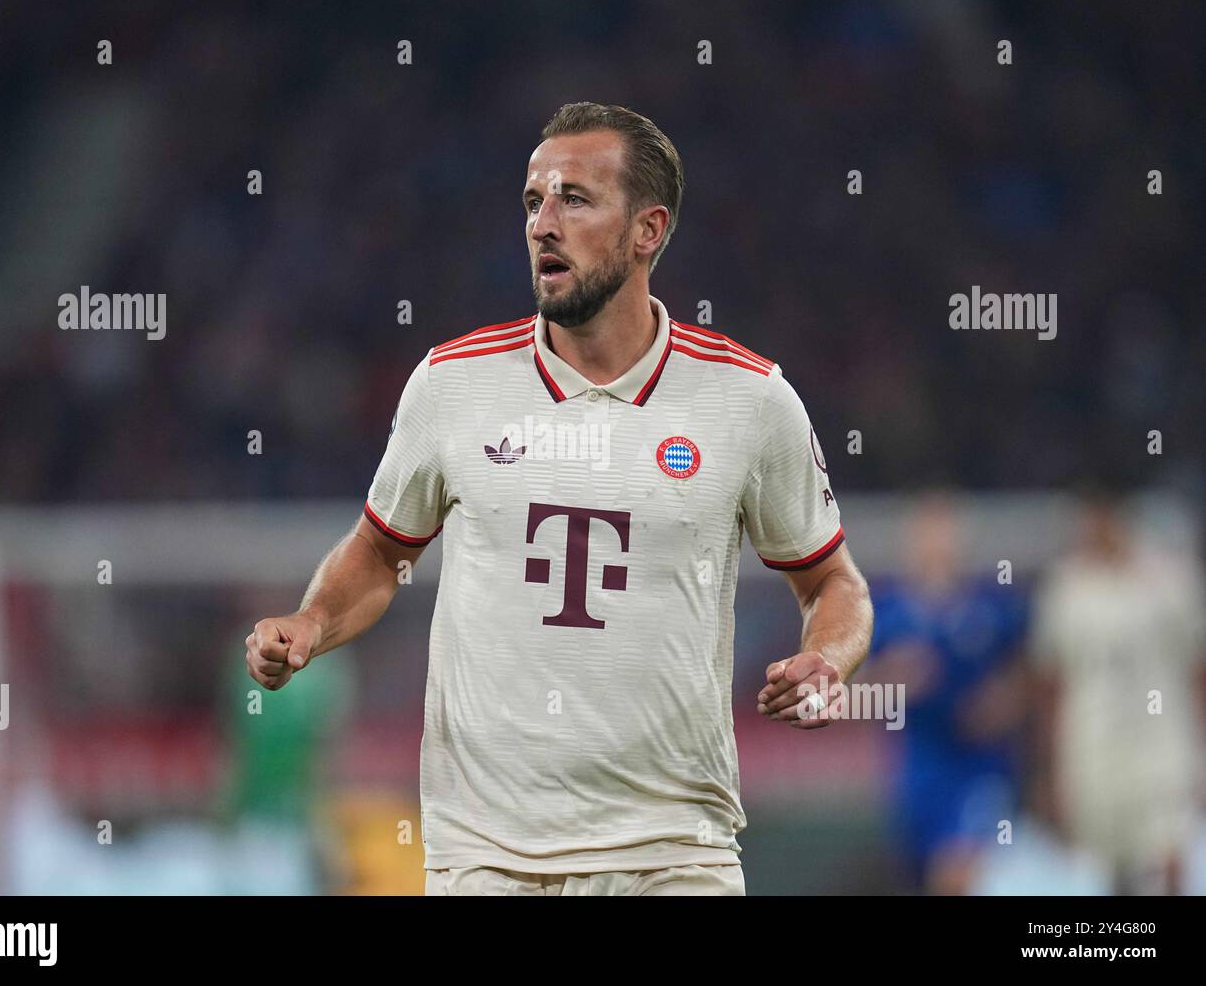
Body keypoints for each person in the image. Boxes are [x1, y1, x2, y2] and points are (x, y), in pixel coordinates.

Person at [245, 102, 873, 896]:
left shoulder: (749, 399)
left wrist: (827, 657)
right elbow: (380, 550)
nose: (544, 223)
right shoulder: (453, 383)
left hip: (674, 851)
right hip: (486, 856)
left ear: (649, 230)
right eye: (533, 201)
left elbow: (833, 581)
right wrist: (309, 622)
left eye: (575, 198)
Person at [1029, 488, 1206, 894]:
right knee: (1108, 871)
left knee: (1168, 861)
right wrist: (1049, 768)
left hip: (1165, 747)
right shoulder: (1066, 587)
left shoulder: (1172, 578)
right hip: (1092, 752)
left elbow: (1197, 670)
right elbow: (1050, 684)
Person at [864, 493, 1032, 894]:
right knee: (924, 876)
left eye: (946, 532)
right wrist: (895, 679)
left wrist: (1004, 702)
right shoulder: (885, 613)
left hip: (979, 768)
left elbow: (1028, 676)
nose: (938, 544)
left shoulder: (991, 607)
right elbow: (855, 696)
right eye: (928, 533)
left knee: (957, 874)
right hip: (918, 770)